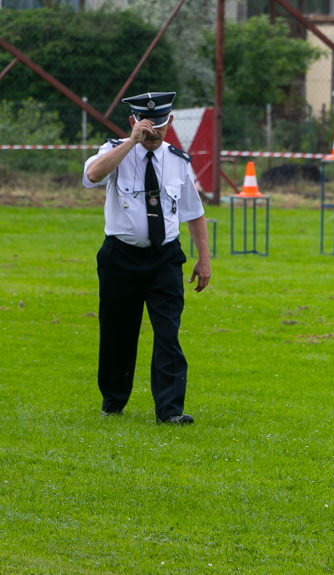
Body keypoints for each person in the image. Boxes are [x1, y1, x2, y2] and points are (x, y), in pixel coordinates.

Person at [83, 91, 211, 424]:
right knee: (117, 332)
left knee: (168, 332)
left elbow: (194, 212)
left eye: (160, 126)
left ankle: (170, 411)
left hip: (165, 258)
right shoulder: (113, 151)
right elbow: (93, 176)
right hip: (120, 258)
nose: (154, 134)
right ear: (133, 122)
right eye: (147, 126)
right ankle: (113, 401)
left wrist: (204, 259)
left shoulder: (178, 161)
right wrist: (131, 143)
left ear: (170, 122)